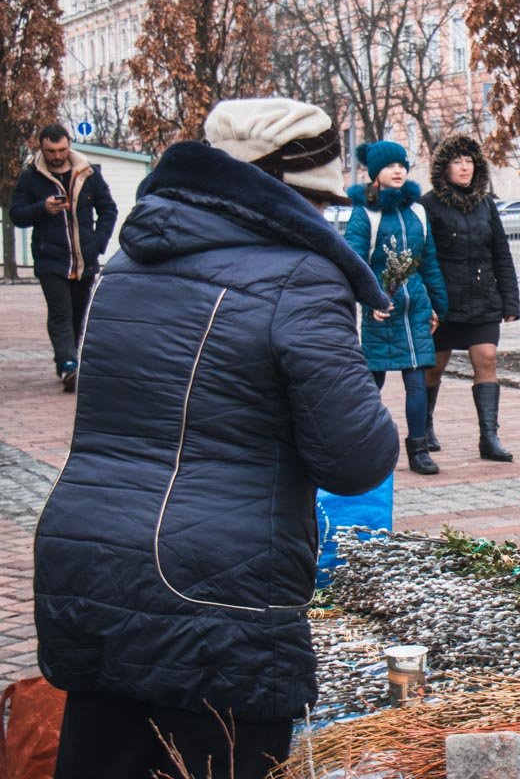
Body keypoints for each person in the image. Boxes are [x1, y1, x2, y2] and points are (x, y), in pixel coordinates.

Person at [33, 98, 400, 778]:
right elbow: (356, 458)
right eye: (321, 202)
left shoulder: (130, 262)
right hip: (215, 592)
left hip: (87, 563)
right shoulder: (302, 275)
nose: (326, 220)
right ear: (286, 194)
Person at [346, 140, 449, 475]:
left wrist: (437, 304)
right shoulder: (365, 214)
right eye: (390, 166)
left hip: (415, 307)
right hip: (382, 307)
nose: (398, 171)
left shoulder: (418, 210)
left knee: (416, 379)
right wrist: (370, 299)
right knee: (370, 382)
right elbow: (354, 261)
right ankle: (358, 442)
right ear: (376, 173)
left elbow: (428, 260)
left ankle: (418, 450)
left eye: (402, 165)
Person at [420, 135, 520, 462]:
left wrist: (510, 301)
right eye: (457, 161)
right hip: (444, 301)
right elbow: (422, 257)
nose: (464, 167)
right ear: (443, 167)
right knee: (433, 369)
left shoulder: (486, 204)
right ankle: (424, 425)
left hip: (482, 299)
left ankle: (489, 437)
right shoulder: (428, 205)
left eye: (469, 161)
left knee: (487, 359)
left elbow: (501, 254)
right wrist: (428, 302)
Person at [10, 123, 118, 393]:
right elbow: (17, 214)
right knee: (61, 311)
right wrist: (42, 208)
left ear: (69, 145)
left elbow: (108, 210)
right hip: (51, 259)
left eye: (61, 149)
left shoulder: (87, 172)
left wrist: (97, 243)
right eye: (51, 150)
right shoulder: (31, 177)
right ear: (42, 147)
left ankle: (70, 358)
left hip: (85, 259)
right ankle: (68, 364)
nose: (57, 155)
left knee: (79, 314)